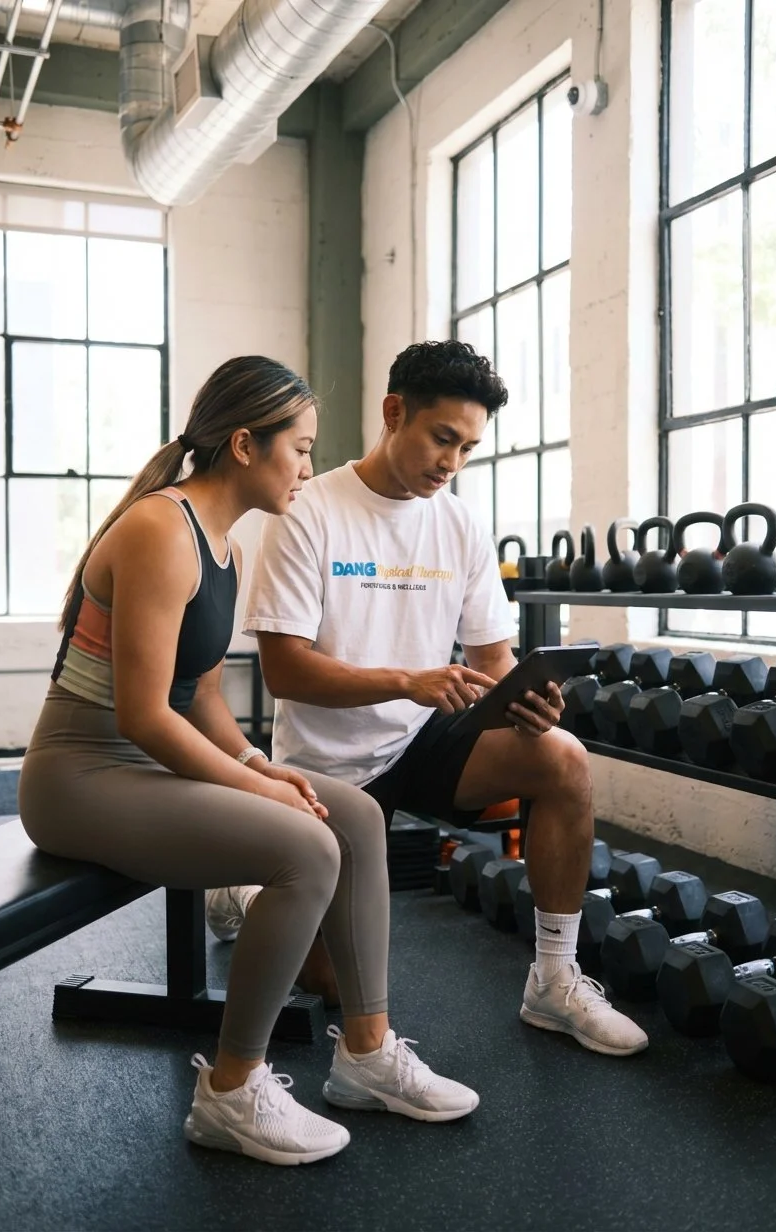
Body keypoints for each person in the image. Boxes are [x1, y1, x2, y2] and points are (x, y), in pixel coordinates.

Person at [18, 355, 480, 1169]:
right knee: (304, 847)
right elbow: (141, 714)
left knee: (357, 815)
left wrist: (255, 763)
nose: (308, 466)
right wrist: (255, 787)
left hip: (140, 766)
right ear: (244, 444)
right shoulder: (161, 529)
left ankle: (366, 1055)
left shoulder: (221, 544)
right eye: (299, 448)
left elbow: (195, 695)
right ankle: (231, 1091)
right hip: (78, 776)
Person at [208, 340, 648, 1058]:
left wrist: (525, 700)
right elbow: (285, 672)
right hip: (331, 763)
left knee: (562, 759)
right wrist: (407, 680)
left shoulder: (460, 523)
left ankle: (556, 979)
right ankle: (247, 894)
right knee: (331, 987)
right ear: (394, 413)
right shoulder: (306, 511)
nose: (452, 462)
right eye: (443, 438)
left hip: (427, 738)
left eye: (469, 448)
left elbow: (492, 660)